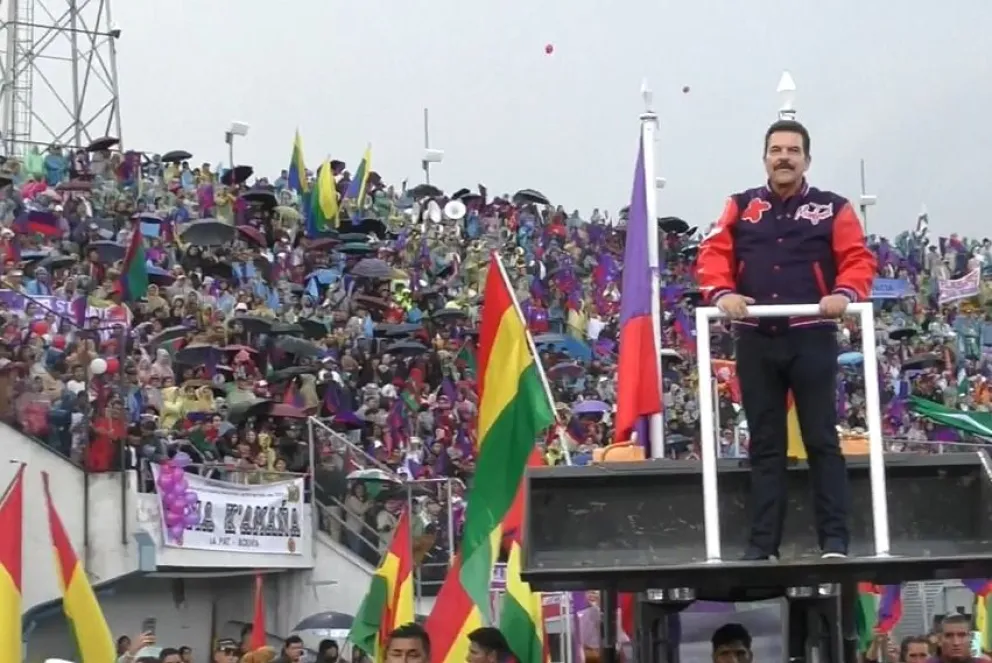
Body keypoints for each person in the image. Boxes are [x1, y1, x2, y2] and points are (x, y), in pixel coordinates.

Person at [697, 118, 876, 560]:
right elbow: (713, 253)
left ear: (806, 160)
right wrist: (722, 292)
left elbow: (858, 259)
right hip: (756, 337)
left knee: (821, 438)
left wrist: (844, 293)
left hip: (811, 335)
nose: (784, 158)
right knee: (765, 444)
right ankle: (763, 547)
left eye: (793, 151)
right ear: (765, 158)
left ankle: (834, 541)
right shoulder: (740, 205)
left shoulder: (833, 208)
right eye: (776, 150)